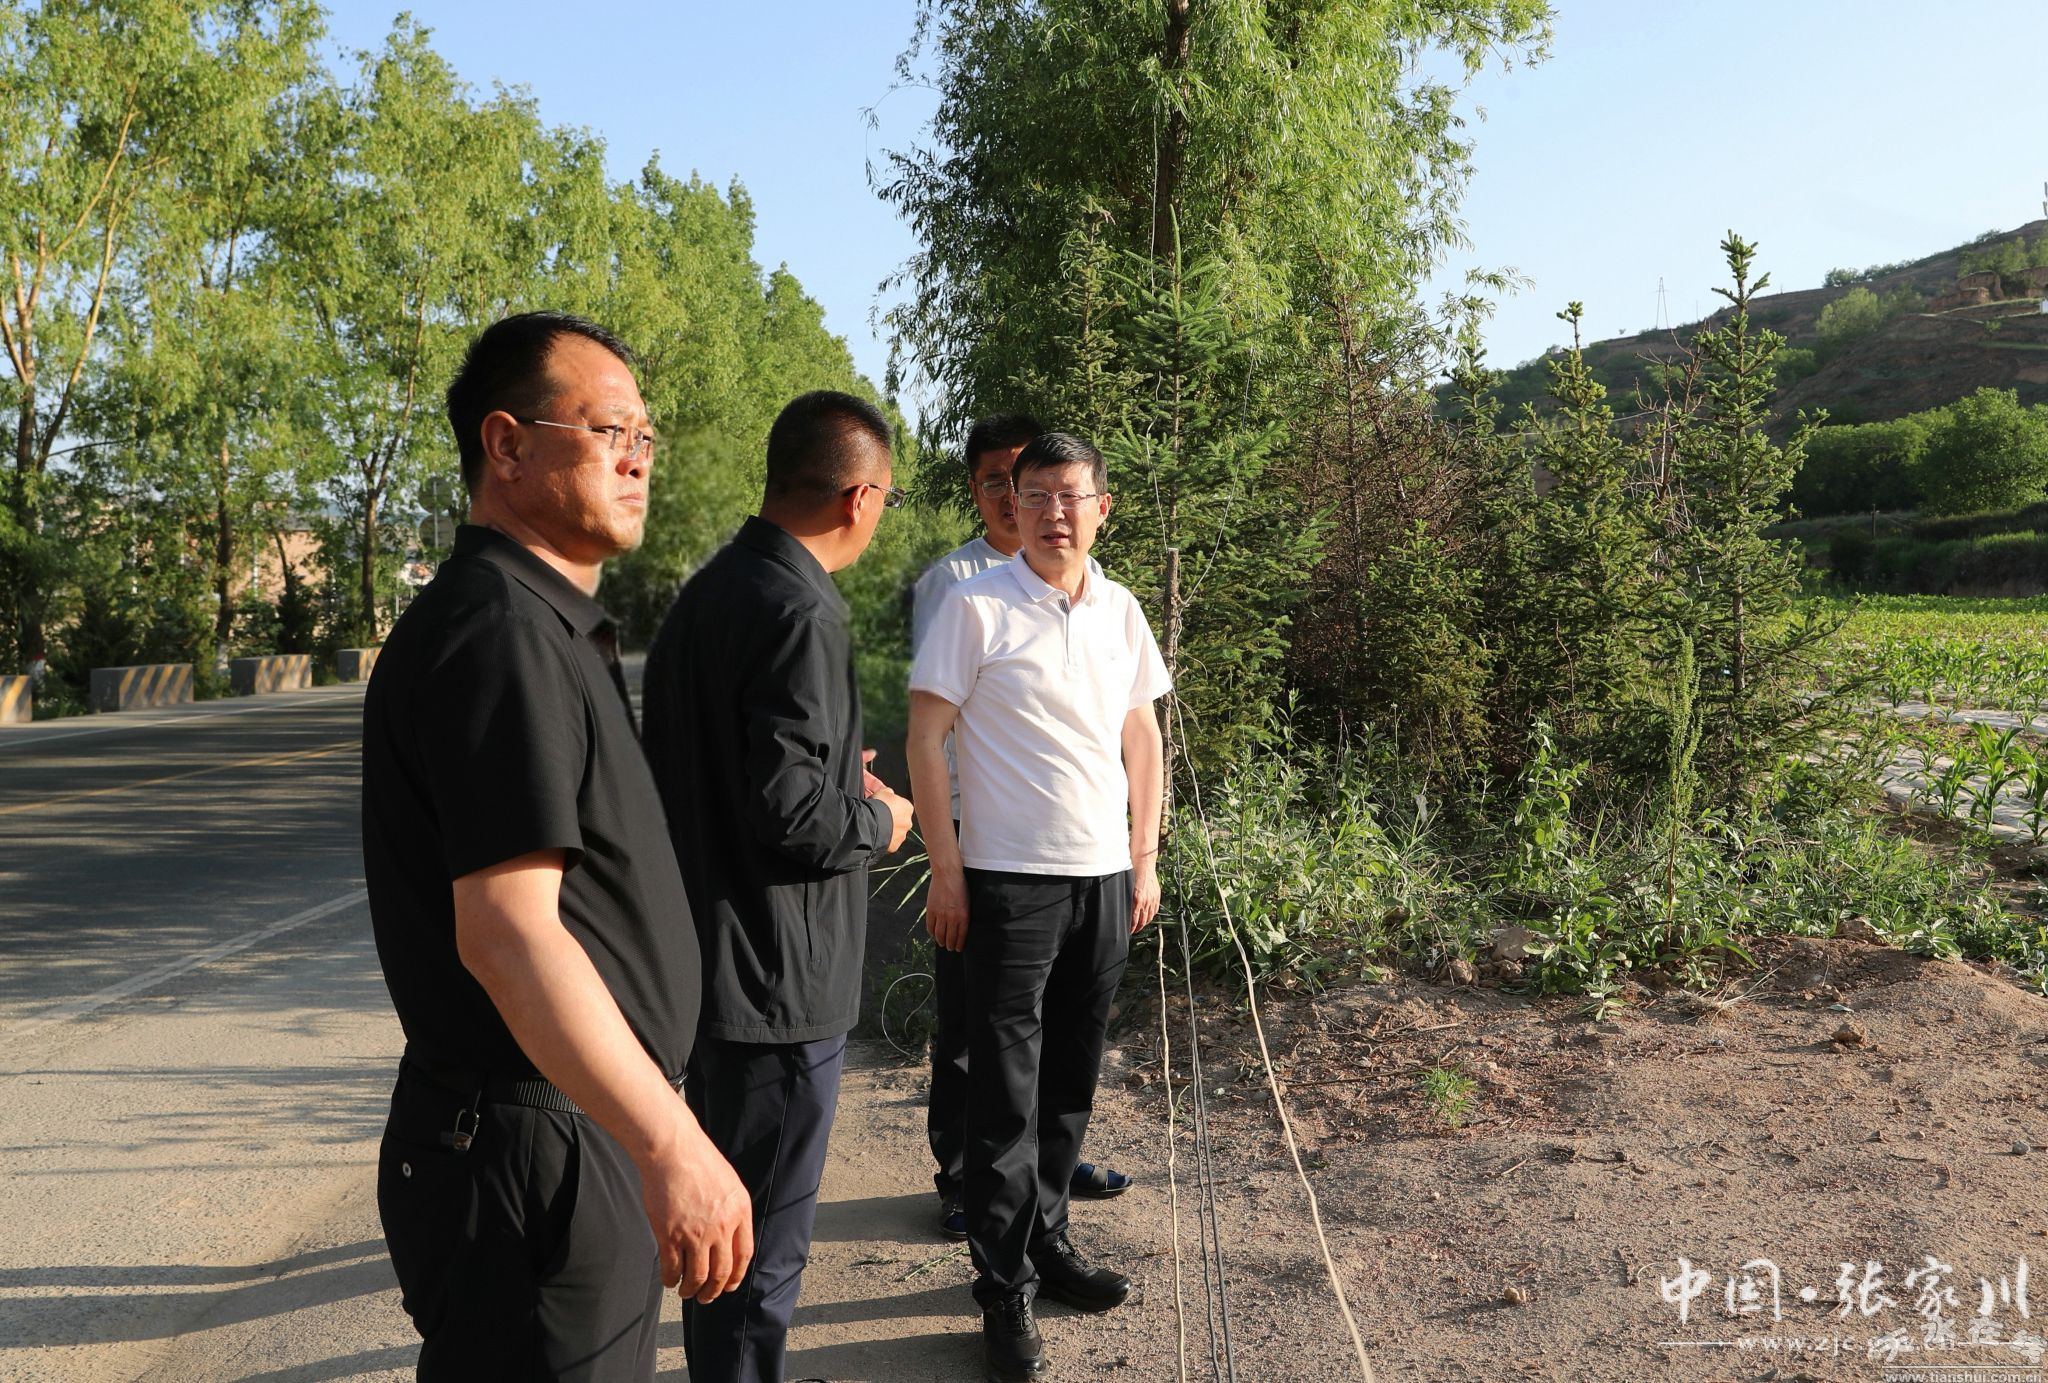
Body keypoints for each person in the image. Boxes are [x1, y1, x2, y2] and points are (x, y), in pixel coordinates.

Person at [362, 310, 752, 1382]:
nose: (637, 458)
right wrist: (668, 1140)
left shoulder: (538, 621)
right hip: (535, 1147)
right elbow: (509, 933)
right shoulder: (502, 633)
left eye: (645, 436)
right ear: (507, 445)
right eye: (609, 429)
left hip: (563, 1128)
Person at [642, 389, 916, 1383]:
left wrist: (838, 775)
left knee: (728, 1229)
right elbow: (791, 813)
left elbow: (724, 771)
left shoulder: (713, 591)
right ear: (857, 497)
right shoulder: (802, 608)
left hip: (708, 962)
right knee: (759, 1246)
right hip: (777, 978)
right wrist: (881, 819)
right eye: (886, 497)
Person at [907, 431, 1170, 1382]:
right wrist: (946, 869)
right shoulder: (974, 604)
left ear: (1102, 506)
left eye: (1071, 495)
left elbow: (1142, 737)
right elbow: (926, 737)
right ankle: (1003, 1287)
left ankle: (1049, 1242)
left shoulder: (1121, 609)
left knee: (1068, 1082)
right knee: (1003, 1096)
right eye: (1036, 495)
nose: (1055, 513)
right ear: (1010, 507)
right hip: (1007, 881)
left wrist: (1143, 858)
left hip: (1103, 880)